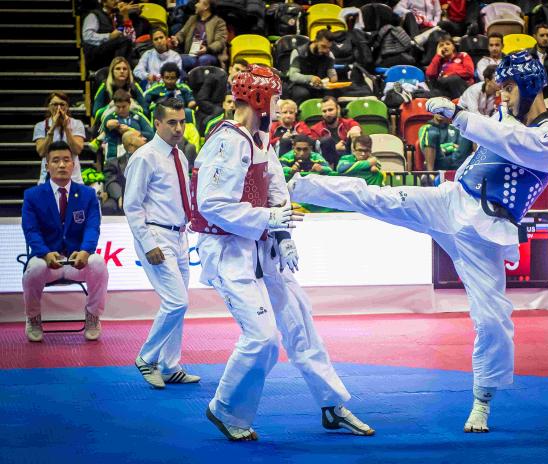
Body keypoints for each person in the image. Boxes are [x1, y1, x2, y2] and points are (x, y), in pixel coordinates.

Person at [288, 51, 548, 433]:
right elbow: (494, 126)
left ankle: (482, 402)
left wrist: (460, 116)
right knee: (377, 198)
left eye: (509, 87)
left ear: (532, 85)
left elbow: (505, 138)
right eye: (500, 88)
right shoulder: (505, 115)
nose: (502, 95)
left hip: (485, 234)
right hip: (450, 201)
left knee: (493, 319)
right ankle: (294, 186)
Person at [192, 64, 374, 441]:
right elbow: (211, 203)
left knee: (300, 324)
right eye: (274, 99)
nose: (278, 106)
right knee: (262, 338)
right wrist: (268, 217)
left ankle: (331, 404)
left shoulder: (259, 138)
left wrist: (281, 231)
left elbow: (275, 184)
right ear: (259, 98)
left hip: (263, 244)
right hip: (229, 249)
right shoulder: (227, 141)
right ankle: (225, 409)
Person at [124, 98, 200, 389]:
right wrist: (146, 242)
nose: (179, 128)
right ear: (156, 123)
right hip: (155, 236)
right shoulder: (144, 157)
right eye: (172, 122)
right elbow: (132, 205)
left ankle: (170, 366)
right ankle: (146, 357)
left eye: (182, 122)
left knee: (180, 303)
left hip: (180, 236)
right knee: (176, 301)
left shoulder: (179, 156)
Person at [21, 141, 108, 342]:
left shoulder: (87, 194)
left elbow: (92, 227)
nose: (61, 165)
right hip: (47, 261)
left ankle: (93, 315)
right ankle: (33, 317)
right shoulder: (32, 196)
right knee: (33, 269)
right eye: (56, 161)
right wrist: (44, 253)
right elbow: (31, 230)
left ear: (73, 164)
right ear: (47, 165)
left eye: (66, 160)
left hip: (77, 261)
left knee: (98, 264)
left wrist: (86, 251)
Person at [33, 92, 86, 184]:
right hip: (48, 178)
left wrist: (66, 128)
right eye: (55, 104)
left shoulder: (77, 124)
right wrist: (52, 127)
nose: (59, 108)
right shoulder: (40, 126)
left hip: (73, 178)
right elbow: (41, 152)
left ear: (67, 106)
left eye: (62, 104)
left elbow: (77, 150)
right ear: (49, 107)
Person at [171, 0, 228, 71]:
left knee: (203, 59)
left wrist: (207, 49)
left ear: (206, 6)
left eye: (198, 2)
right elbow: (182, 33)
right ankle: (184, 79)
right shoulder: (192, 19)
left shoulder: (219, 22)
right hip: (192, 55)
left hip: (210, 55)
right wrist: (177, 39)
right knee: (176, 58)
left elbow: (220, 42)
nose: (195, 5)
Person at [285, 29, 338, 103]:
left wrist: (332, 77)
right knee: (303, 94)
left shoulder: (329, 55)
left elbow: (332, 74)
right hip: (300, 85)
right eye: (323, 46)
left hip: (320, 86)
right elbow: (293, 75)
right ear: (315, 41)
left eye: (329, 47)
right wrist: (310, 78)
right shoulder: (298, 52)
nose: (326, 50)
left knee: (333, 93)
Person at [102, 130, 146, 215]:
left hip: (146, 198)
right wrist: (120, 196)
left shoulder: (152, 161)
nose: (144, 138)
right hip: (123, 196)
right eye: (140, 136)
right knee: (108, 207)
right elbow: (111, 182)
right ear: (131, 143)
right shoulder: (114, 163)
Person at [101, 89, 155, 161]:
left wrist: (130, 131)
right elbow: (106, 126)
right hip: (113, 157)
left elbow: (151, 135)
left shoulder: (138, 117)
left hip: (137, 155)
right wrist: (108, 125)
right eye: (118, 107)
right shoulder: (110, 117)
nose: (120, 110)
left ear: (129, 104)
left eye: (123, 107)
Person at [309, 96, 362, 168]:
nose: (327, 114)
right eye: (324, 111)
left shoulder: (347, 123)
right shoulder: (315, 129)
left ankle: (356, 167)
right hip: (327, 162)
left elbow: (355, 127)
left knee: (355, 134)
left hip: (348, 157)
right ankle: (330, 173)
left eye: (330, 110)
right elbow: (315, 152)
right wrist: (334, 147)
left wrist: (355, 130)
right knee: (326, 141)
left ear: (338, 109)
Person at [92, 56, 148, 124]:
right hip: (109, 123)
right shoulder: (104, 86)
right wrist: (109, 107)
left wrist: (135, 107)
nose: (121, 71)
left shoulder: (134, 86)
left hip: (132, 123)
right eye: (118, 69)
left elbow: (145, 111)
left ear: (129, 71)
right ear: (112, 71)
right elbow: (96, 113)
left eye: (125, 69)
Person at [81, 0, 133, 71]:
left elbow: (130, 38)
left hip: (113, 52)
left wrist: (125, 15)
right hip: (96, 54)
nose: (117, 1)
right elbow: (87, 37)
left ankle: (121, 71)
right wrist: (109, 36)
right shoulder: (94, 15)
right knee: (122, 41)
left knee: (126, 42)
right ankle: (117, 70)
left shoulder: (118, 16)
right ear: (104, 2)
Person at [425, 34, 475, 99]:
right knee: (427, 93)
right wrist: (438, 56)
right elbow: (430, 74)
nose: (445, 47)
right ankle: (411, 94)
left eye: (448, 44)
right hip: (445, 90)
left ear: (453, 46)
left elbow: (469, 72)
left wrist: (450, 75)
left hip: (462, 87)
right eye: (441, 45)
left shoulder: (462, 55)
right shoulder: (438, 61)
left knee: (453, 79)